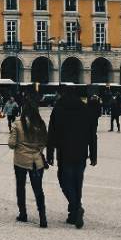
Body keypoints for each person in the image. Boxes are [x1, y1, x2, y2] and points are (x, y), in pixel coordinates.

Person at [46, 86, 98, 228]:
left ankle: (75, 207)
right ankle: (74, 213)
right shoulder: (86, 109)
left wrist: (49, 152)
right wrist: (93, 154)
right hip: (81, 151)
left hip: (64, 151)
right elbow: (92, 133)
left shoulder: (59, 108)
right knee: (77, 181)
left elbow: (52, 131)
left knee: (64, 180)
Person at [8, 99, 49, 228]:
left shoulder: (17, 124)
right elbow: (44, 143)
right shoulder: (41, 124)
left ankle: (23, 213)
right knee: (38, 189)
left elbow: (12, 144)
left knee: (21, 187)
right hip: (36, 161)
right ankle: (42, 217)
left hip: (21, 160)